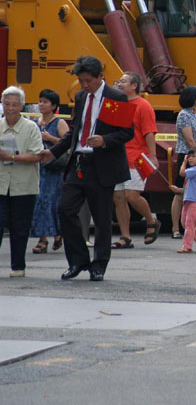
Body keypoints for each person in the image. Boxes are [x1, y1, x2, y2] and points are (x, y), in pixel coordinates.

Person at [41, 56, 134, 281]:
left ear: (100, 76)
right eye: (81, 81)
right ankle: (77, 261)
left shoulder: (115, 97)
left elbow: (126, 132)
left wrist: (104, 140)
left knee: (101, 219)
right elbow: (75, 131)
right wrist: (53, 152)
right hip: (78, 162)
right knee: (65, 209)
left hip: (102, 165)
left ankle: (99, 265)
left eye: (88, 81)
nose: (84, 85)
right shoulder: (81, 97)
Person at [112, 72, 160, 249]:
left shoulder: (143, 105)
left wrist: (153, 156)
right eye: (119, 81)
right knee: (118, 198)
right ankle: (125, 237)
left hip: (137, 158)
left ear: (134, 86)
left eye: (124, 81)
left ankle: (151, 220)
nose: (120, 84)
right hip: (118, 157)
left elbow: (149, 132)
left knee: (132, 196)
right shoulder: (116, 104)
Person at [0, 86, 44, 277]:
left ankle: (18, 266)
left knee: (20, 228)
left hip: (24, 186)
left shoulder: (31, 127)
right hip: (1, 184)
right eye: (7, 104)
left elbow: (37, 155)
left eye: (15, 104)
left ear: (22, 106)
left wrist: (11, 157)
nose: (10, 108)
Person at [31, 88, 68, 254]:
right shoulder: (35, 123)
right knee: (39, 202)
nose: (41, 104)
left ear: (53, 105)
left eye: (45, 102)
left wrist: (50, 138)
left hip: (54, 169)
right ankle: (43, 238)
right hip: (39, 168)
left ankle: (57, 233)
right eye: (40, 101)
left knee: (52, 202)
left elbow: (67, 143)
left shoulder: (59, 123)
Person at [171, 86, 196, 239]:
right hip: (187, 156)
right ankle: (175, 228)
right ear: (192, 97)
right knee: (180, 192)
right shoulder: (184, 115)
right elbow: (189, 139)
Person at [169, 149, 196, 253]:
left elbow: (181, 173)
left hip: (195, 201)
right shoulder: (192, 172)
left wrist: (184, 162)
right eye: (190, 156)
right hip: (187, 200)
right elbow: (187, 188)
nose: (190, 158)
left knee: (189, 223)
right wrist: (178, 190)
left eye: (194, 156)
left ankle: (187, 246)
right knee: (184, 223)